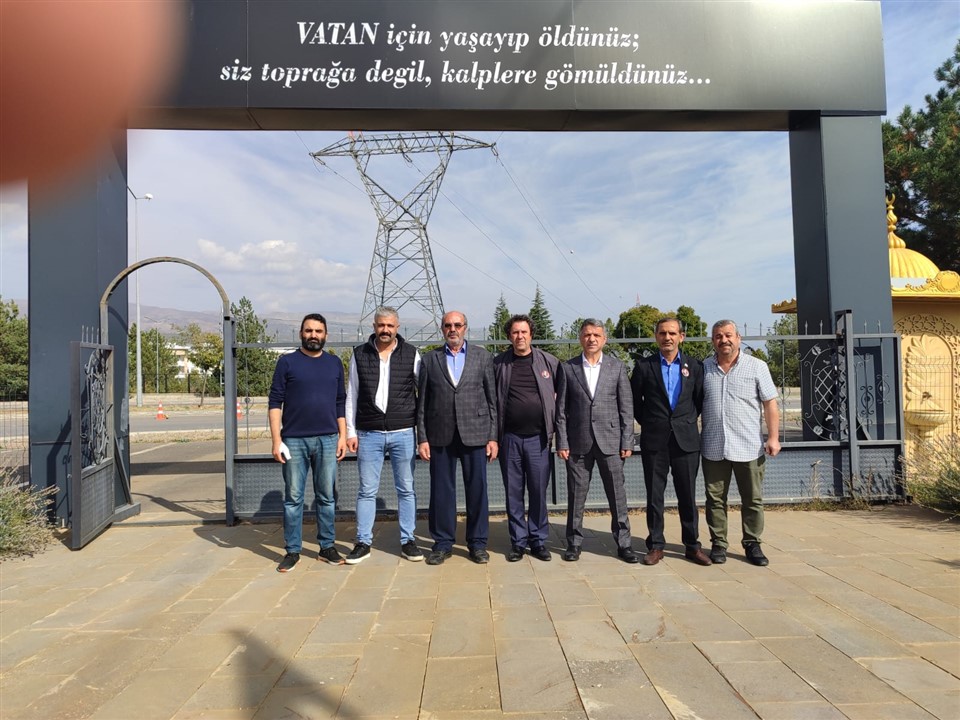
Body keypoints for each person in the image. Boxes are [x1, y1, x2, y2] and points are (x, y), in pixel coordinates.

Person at [417, 311, 498, 565]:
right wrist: (422, 438)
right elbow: (422, 403)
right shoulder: (429, 359)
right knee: (441, 491)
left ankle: (477, 543)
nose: (453, 329)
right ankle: (442, 543)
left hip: (476, 433)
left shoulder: (483, 357)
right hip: (440, 435)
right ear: (442, 329)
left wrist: (493, 436)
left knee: (477, 490)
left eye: (457, 325)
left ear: (465, 328)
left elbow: (492, 400)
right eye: (448, 325)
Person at [268, 313, 347, 572]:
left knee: (326, 497)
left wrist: (342, 436)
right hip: (293, 441)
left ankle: (327, 547)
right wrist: (276, 440)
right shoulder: (287, 362)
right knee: (293, 498)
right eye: (309, 330)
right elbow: (275, 402)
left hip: (328, 440)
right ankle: (292, 550)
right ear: (301, 333)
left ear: (326, 335)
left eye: (318, 331)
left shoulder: (334, 363)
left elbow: (340, 402)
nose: (314, 335)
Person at [555, 319, 638, 563]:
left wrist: (627, 441)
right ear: (580, 338)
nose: (591, 339)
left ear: (604, 339)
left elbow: (626, 408)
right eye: (587, 334)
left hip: (611, 442)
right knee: (576, 496)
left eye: (596, 335)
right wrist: (562, 441)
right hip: (578, 443)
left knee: (617, 495)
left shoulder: (617, 367)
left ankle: (624, 544)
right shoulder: (567, 368)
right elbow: (561, 410)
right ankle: (574, 543)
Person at [344, 307, 423, 563]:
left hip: (404, 432)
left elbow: (423, 394)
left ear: (397, 327)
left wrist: (422, 433)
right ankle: (363, 542)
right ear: (374, 326)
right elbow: (352, 394)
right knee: (367, 490)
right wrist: (351, 432)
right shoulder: (360, 354)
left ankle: (408, 541)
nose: (385, 330)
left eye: (390, 325)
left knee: (406, 489)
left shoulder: (411, 354)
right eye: (381, 325)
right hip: (369, 433)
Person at [631, 318, 711, 566]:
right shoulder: (644, 366)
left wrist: (683, 422)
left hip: (686, 440)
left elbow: (698, 400)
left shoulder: (695, 366)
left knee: (688, 495)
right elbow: (635, 402)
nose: (667, 337)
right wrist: (652, 423)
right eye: (663, 333)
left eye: (672, 333)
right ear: (656, 336)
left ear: (681, 337)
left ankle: (692, 545)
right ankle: (656, 545)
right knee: (655, 495)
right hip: (655, 440)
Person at [701, 320, 781, 567]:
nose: (723, 340)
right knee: (715, 499)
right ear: (713, 340)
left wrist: (773, 437)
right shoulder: (704, 368)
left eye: (728, 335)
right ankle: (719, 543)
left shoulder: (757, 366)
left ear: (738, 338)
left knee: (752, 499)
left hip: (749, 447)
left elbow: (770, 403)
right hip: (713, 446)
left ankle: (752, 543)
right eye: (718, 336)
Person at [493, 314, 560, 562]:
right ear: (509, 336)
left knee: (538, 491)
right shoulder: (499, 364)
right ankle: (518, 542)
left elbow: (562, 397)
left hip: (539, 440)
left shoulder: (549, 362)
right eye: (515, 332)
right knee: (513, 493)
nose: (519, 336)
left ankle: (538, 540)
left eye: (524, 332)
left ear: (531, 335)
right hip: (509, 439)